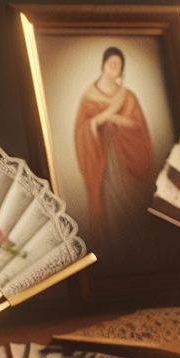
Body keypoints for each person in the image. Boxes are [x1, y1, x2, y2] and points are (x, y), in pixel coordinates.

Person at [74, 46, 156, 260]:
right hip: (103, 164)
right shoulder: (89, 97)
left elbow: (139, 127)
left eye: (118, 66)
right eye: (111, 64)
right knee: (109, 212)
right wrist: (102, 118)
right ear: (102, 65)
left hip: (127, 163)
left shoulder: (127, 97)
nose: (113, 68)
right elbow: (82, 130)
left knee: (133, 210)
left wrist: (115, 119)